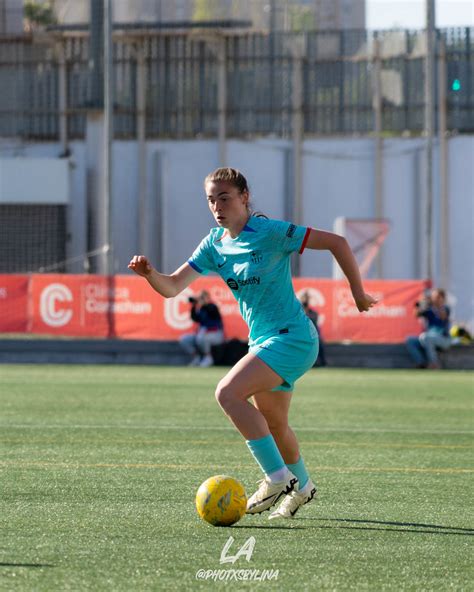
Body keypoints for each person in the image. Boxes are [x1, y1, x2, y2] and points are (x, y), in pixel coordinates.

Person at [129, 167, 377, 520]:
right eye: (211, 199)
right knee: (275, 425)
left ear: (245, 197)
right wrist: (149, 274)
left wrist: (358, 293)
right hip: (263, 342)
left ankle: (277, 478)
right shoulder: (214, 243)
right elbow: (171, 287)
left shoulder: (271, 232)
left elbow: (337, 243)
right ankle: (303, 488)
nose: (217, 206)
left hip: (293, 338)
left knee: (227, 393)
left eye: (225, 197)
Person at [405, 288, 452, 369]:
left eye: (436, 297)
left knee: (426, 337)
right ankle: (421, 364)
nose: (433, 299)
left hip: (444, 339)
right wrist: (421, 303)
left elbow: (443, 316)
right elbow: (417, 314)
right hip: (428, 337)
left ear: (442, 298)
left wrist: (437, 304)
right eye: (433, 297)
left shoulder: (446, 308)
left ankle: (434, 364)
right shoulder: (429, 309)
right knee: (410, 340)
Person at [179, 290, 224, 367]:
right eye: (200, 297)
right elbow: (195, 318)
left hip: (216, 334)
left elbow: (212, 312)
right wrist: (193, 305)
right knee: (185, 339)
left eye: (202, 297)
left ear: (208, 298)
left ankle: (208, 357)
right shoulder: (201, 309)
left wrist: (204, 304)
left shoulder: (213, 306)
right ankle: (196, 357)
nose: (201, 299)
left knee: (202, 337)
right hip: (202, 334)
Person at [300, 291, 327, 367]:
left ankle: (322, 362)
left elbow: (314, 323)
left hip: (312, 334)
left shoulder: (313, 313)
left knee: (320, 343)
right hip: (302, 334)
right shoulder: (299, 312)